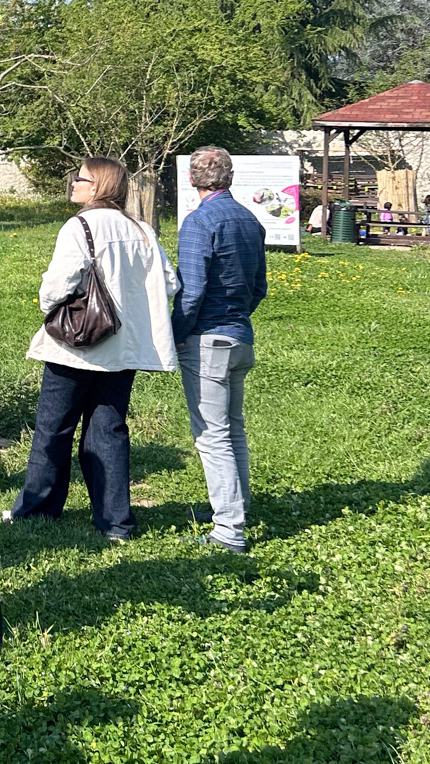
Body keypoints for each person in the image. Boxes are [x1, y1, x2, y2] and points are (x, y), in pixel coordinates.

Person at [5, 157, 179, 542]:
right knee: (109, 431)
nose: (74, 183)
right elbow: (170, 283)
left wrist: (48, 302)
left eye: (80, 178)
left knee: (54, 429)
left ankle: (38, 508)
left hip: (77, 346)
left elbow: (57, 286)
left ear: (96, 186)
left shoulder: (80, 226)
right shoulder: (143, 229)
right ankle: (115, 522)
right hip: (122, 350)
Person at [172, 146, 268, 554]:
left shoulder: (199, 222)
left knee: (213, 436)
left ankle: (229, 529)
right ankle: (237, 508)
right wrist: (237, 314)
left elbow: (191, 292)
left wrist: (177, 333)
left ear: (191, 179)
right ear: (230, 176)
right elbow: (259, 287)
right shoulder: (250, 220)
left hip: (207, 339)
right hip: (240, 335)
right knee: (233, 429)